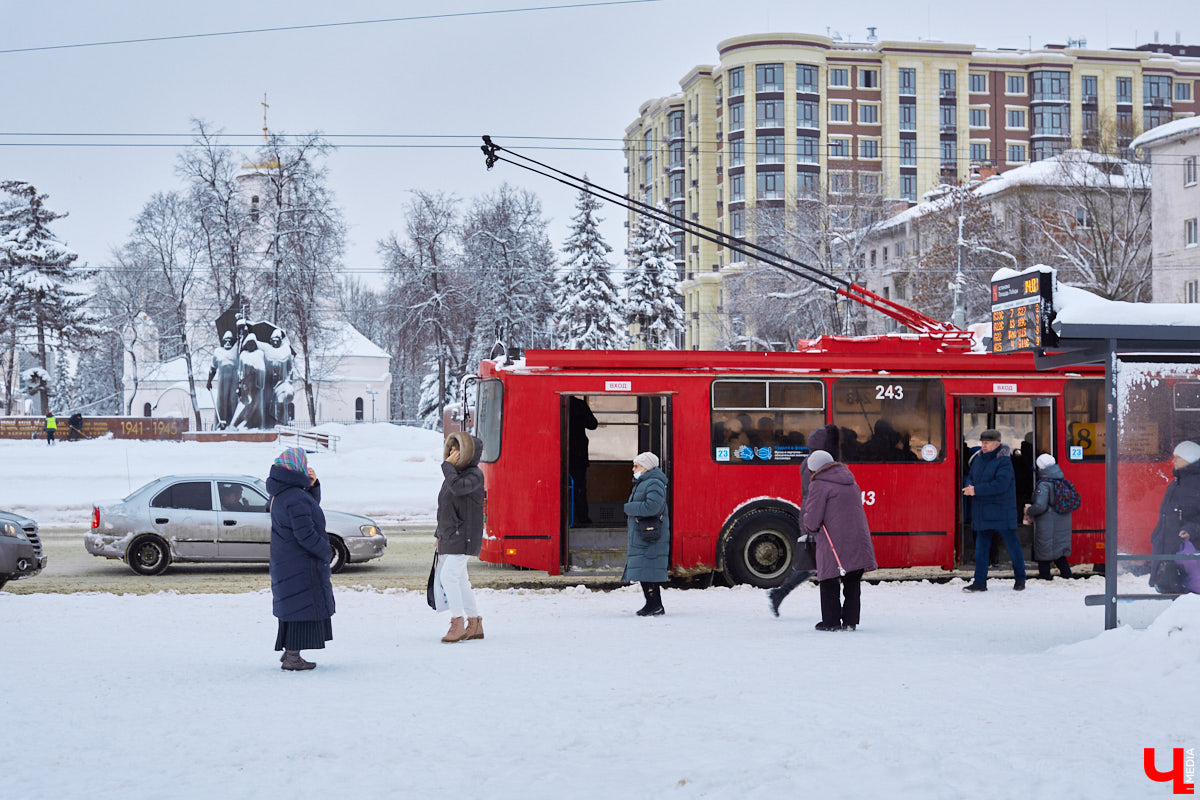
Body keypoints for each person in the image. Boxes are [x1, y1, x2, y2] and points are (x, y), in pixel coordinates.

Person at [266, 446, 334, 671]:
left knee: (294, 608)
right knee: (300, 608)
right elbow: (305, 533)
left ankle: (290, 655)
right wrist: (325, 550)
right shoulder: (294, 497)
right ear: (296, 467)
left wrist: (311, 486)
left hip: (288, 562)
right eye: (303, 465)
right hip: (300, 564)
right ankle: (293, 658)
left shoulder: (284, 493)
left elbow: (308, 509)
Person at [767, 423, 839, 616]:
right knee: (818, 562)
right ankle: (781, 593)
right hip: (817, 517)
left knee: (817, 562)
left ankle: (781, 594)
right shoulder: (819, 465)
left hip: (811, 515)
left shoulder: (809, 462)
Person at [802, 450, 877, 630]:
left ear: (814, 469)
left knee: (828, 580)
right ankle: (850, 622)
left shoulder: (819, 484)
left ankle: (831, 622)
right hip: (858, 539)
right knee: (852, 580)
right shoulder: (850, 480)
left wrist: (809, 526)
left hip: (834, 542)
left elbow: (812, 519)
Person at [435, 431, 486, 643]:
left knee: (448, 577)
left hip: (464, 537)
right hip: (452, 535)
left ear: (467, 453)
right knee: (461, 580)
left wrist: (447, 467)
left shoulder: (474, 474)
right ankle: (474, 624)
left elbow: (457, 489)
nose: (452, 453)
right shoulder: (453, 475)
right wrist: (439, 535)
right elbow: (444, 507)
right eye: (451, 448)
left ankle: (457, 622)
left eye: (457, 449)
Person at [961, 429, 1026, 592]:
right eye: (982, 442)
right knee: (981, 549)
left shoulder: (1004, 461)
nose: (983, 445)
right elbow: (971, 476)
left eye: (987, 443)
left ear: (997, 444)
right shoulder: (978, 459)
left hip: (1001, 511)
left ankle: (1020, 579)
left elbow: (1001, 485)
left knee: (1012, 546)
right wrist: (970, 485)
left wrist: (976, 490)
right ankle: (980, 582)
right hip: (983, 510)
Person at [1148, 440, 1200, 594]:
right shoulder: (1177, 482)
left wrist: (1192, 530)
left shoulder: (1195, 483)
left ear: (1190, 459)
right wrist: (1157, 535)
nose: (1174, 460)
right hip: (1172, 549)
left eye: (1178, 457)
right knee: (1172, 590)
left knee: (1185, 593)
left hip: (1185, 550)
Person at [622, 452, 670, 616]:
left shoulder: (653, 483)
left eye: (636, 466)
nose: (633, 469)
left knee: (648, 571)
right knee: (647, 571)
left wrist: (629, 508)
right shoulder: (645, 483)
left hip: (650, 537)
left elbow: (653, 507)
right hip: (644, 535)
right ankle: (653, 604)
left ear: (646, 467)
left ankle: (654, 605)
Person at [1026, 453, 1073, 580]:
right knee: (1059, 553)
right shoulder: (1061, 480)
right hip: (1062, 521)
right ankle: (1067, 577)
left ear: (1041, 467)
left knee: (1044, 552)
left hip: (1047, 524)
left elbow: (1040, 506)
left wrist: (1029, 510)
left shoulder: (1044, 484)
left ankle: (1044, 578)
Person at [567, 396, 598, 525]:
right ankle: (582, 519)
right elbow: (593, 424)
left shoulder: (556, 403)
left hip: (559, 452)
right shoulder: (579, 405)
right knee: (579, 487)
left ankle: (565, 518)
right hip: (578, 454)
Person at [207, 330, 239, 429]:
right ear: (222, 341)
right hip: (222, 383)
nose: (228, 343)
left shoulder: (236, 351)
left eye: (230, 340)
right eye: (225, 340)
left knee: (233, 401)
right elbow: (213, 368)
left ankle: (233, 424)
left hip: (234, 382)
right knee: (221, 402)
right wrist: (209, 381)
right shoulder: (218, 352)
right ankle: (221, 423)